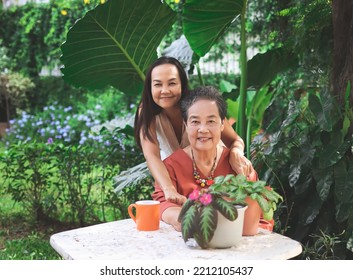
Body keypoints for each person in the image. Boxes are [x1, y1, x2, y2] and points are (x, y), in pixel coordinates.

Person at [134, 56, 253, 206]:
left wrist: (236, 153)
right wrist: (169, 189)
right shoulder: (146, 111)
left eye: (172, 83)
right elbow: (151, 155)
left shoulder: (198, 105)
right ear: (149, 87)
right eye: (157, 84)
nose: (164, 90)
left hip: (217, 172)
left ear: (182, 85)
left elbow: (236, 140)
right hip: (181, 177)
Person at [151, 86, 259, 233]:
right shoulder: (170, 166)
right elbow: (162, 203)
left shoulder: (238, 165)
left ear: (222, 125)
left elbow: (256, 214)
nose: (203, 129)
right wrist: (184, 218)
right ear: (186, 125)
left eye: (211, 121)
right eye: (195, 122)